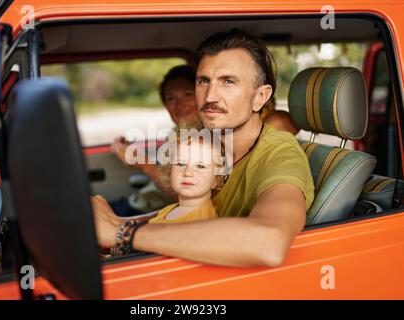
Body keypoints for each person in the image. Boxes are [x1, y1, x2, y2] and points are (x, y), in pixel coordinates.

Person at [92, 28, 316, 267]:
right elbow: (191, 214)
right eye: (203, 81)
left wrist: (123, 234)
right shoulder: (208, 141)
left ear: (260, 97)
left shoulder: (281, 155)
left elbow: (269, 242)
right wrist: (121, 224)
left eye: (228, 82)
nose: (210, 96)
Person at [109, 65, 200, 216]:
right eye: (171, 98)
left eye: (188, 94)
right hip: (139, 202)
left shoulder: (204, 140)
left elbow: (186, 198)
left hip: (152, 214)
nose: (179, 104)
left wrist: (145, 164)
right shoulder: (177, 132)